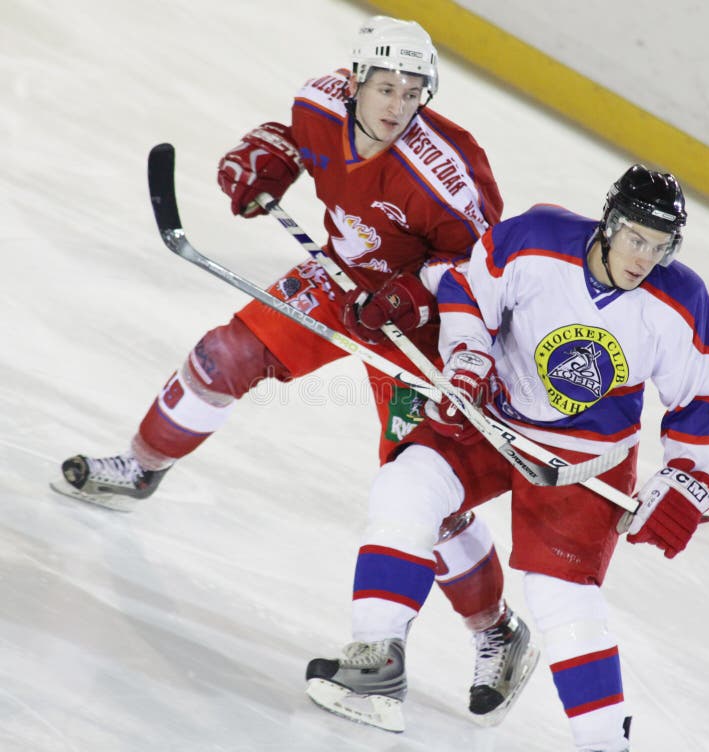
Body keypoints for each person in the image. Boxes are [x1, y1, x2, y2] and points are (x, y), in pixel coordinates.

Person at [53, 16, 537, 723]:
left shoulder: (443, 178)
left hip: (426, 332)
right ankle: (140, 465)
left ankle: (497, 632)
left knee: (425, 496)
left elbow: (480, 268)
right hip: (342, 281)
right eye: (384, 87)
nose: (397, 105)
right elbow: (293, 139)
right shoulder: (318, 102)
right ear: (355, 81)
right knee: (224, 356)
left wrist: (409, 292)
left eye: (412, 91)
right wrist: (266, 161)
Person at [305, 165, 709, 748]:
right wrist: (468, 355)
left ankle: (606, 741)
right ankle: (377, 663)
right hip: (493, 416)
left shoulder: (681, 299)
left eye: (660, 247)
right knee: (407, 488)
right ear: (610, 222)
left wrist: (684, 476)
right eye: (635, 238)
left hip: (588, 456)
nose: (643, 258)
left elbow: (700, 400)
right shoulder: (536, 238)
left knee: (560, 592)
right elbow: (465, 290)